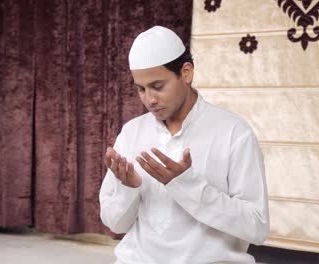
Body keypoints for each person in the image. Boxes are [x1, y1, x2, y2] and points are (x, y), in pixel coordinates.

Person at [99, 25, 269, 264]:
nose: (150, 99)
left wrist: (187, 186)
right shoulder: (132, 132)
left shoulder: (234, 132)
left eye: (158, 87)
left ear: (186, 73)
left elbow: (257, 226)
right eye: (141, 89)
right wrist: (129, 188)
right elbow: (115, 223)